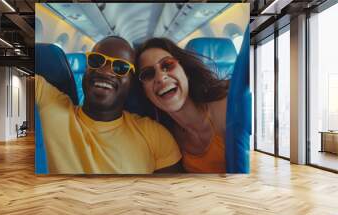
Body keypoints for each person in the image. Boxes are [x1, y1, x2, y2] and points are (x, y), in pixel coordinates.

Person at [35, 36, 182, 174]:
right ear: (86, 68)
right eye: (96, 60)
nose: (105, 71)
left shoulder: (155, 136)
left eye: (120, 67)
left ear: (131, 82)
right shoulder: (48, 102)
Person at [135, 38, 229, 173]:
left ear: (185, 71)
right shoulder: (164, 138)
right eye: (148, 74)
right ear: (145, 93)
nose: (161, 78)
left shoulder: (226, 105)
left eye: (167, 65)